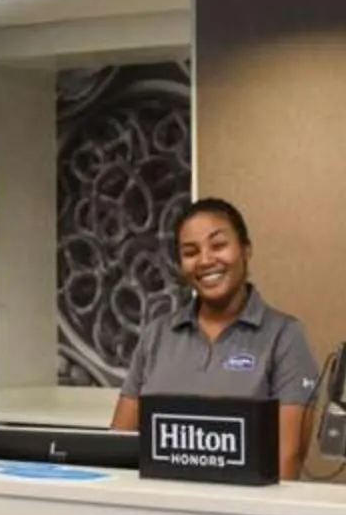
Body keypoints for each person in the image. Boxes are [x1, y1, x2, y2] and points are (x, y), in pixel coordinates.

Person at [113, 198, 323, 474]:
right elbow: (118, 448)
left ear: (245, 249)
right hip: (161, 511)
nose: (205, 260)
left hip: (244, 513)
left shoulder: (284, 336)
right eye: (190, 252)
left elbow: (288, 460)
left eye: (219, 245)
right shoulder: (156, 336)